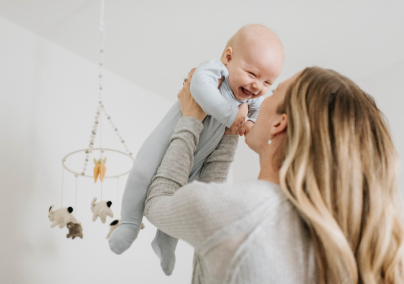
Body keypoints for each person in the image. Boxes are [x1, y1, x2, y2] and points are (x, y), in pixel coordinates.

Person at [144, 67, 404, 283]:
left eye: (275, 90)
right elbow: (215, 207)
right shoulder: (342, 238)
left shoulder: (240, 212)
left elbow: (158, 203)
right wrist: (228, 134)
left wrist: (189, 119)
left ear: (280, 122)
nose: (261, 94)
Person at [109, 24, 285, 275]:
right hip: (168, 141)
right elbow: (199, 87)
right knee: (141, 174)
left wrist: (248, 122)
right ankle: (129, 223)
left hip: (198, 157)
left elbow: (253, 113)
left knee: (183, 196)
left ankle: (166, 242)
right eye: (252, 74)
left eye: (268, 82)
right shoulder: (215, 71)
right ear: (228, 57)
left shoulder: (249, 100)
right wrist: (230, 115)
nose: (258, 86)